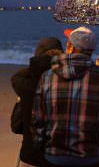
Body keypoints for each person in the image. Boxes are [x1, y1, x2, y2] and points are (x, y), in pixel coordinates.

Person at [32, 26, 99, 167]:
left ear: (69, 46)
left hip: (53, 156)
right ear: (91, 50)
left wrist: (39, 150)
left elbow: (38, 120)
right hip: (90, 156)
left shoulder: (47, 76)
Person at [11, 37, 64, 167]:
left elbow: (16, 126)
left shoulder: (26, 80)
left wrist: (37, 65)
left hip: (31, 154)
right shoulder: (65, 78)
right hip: (59, 153)